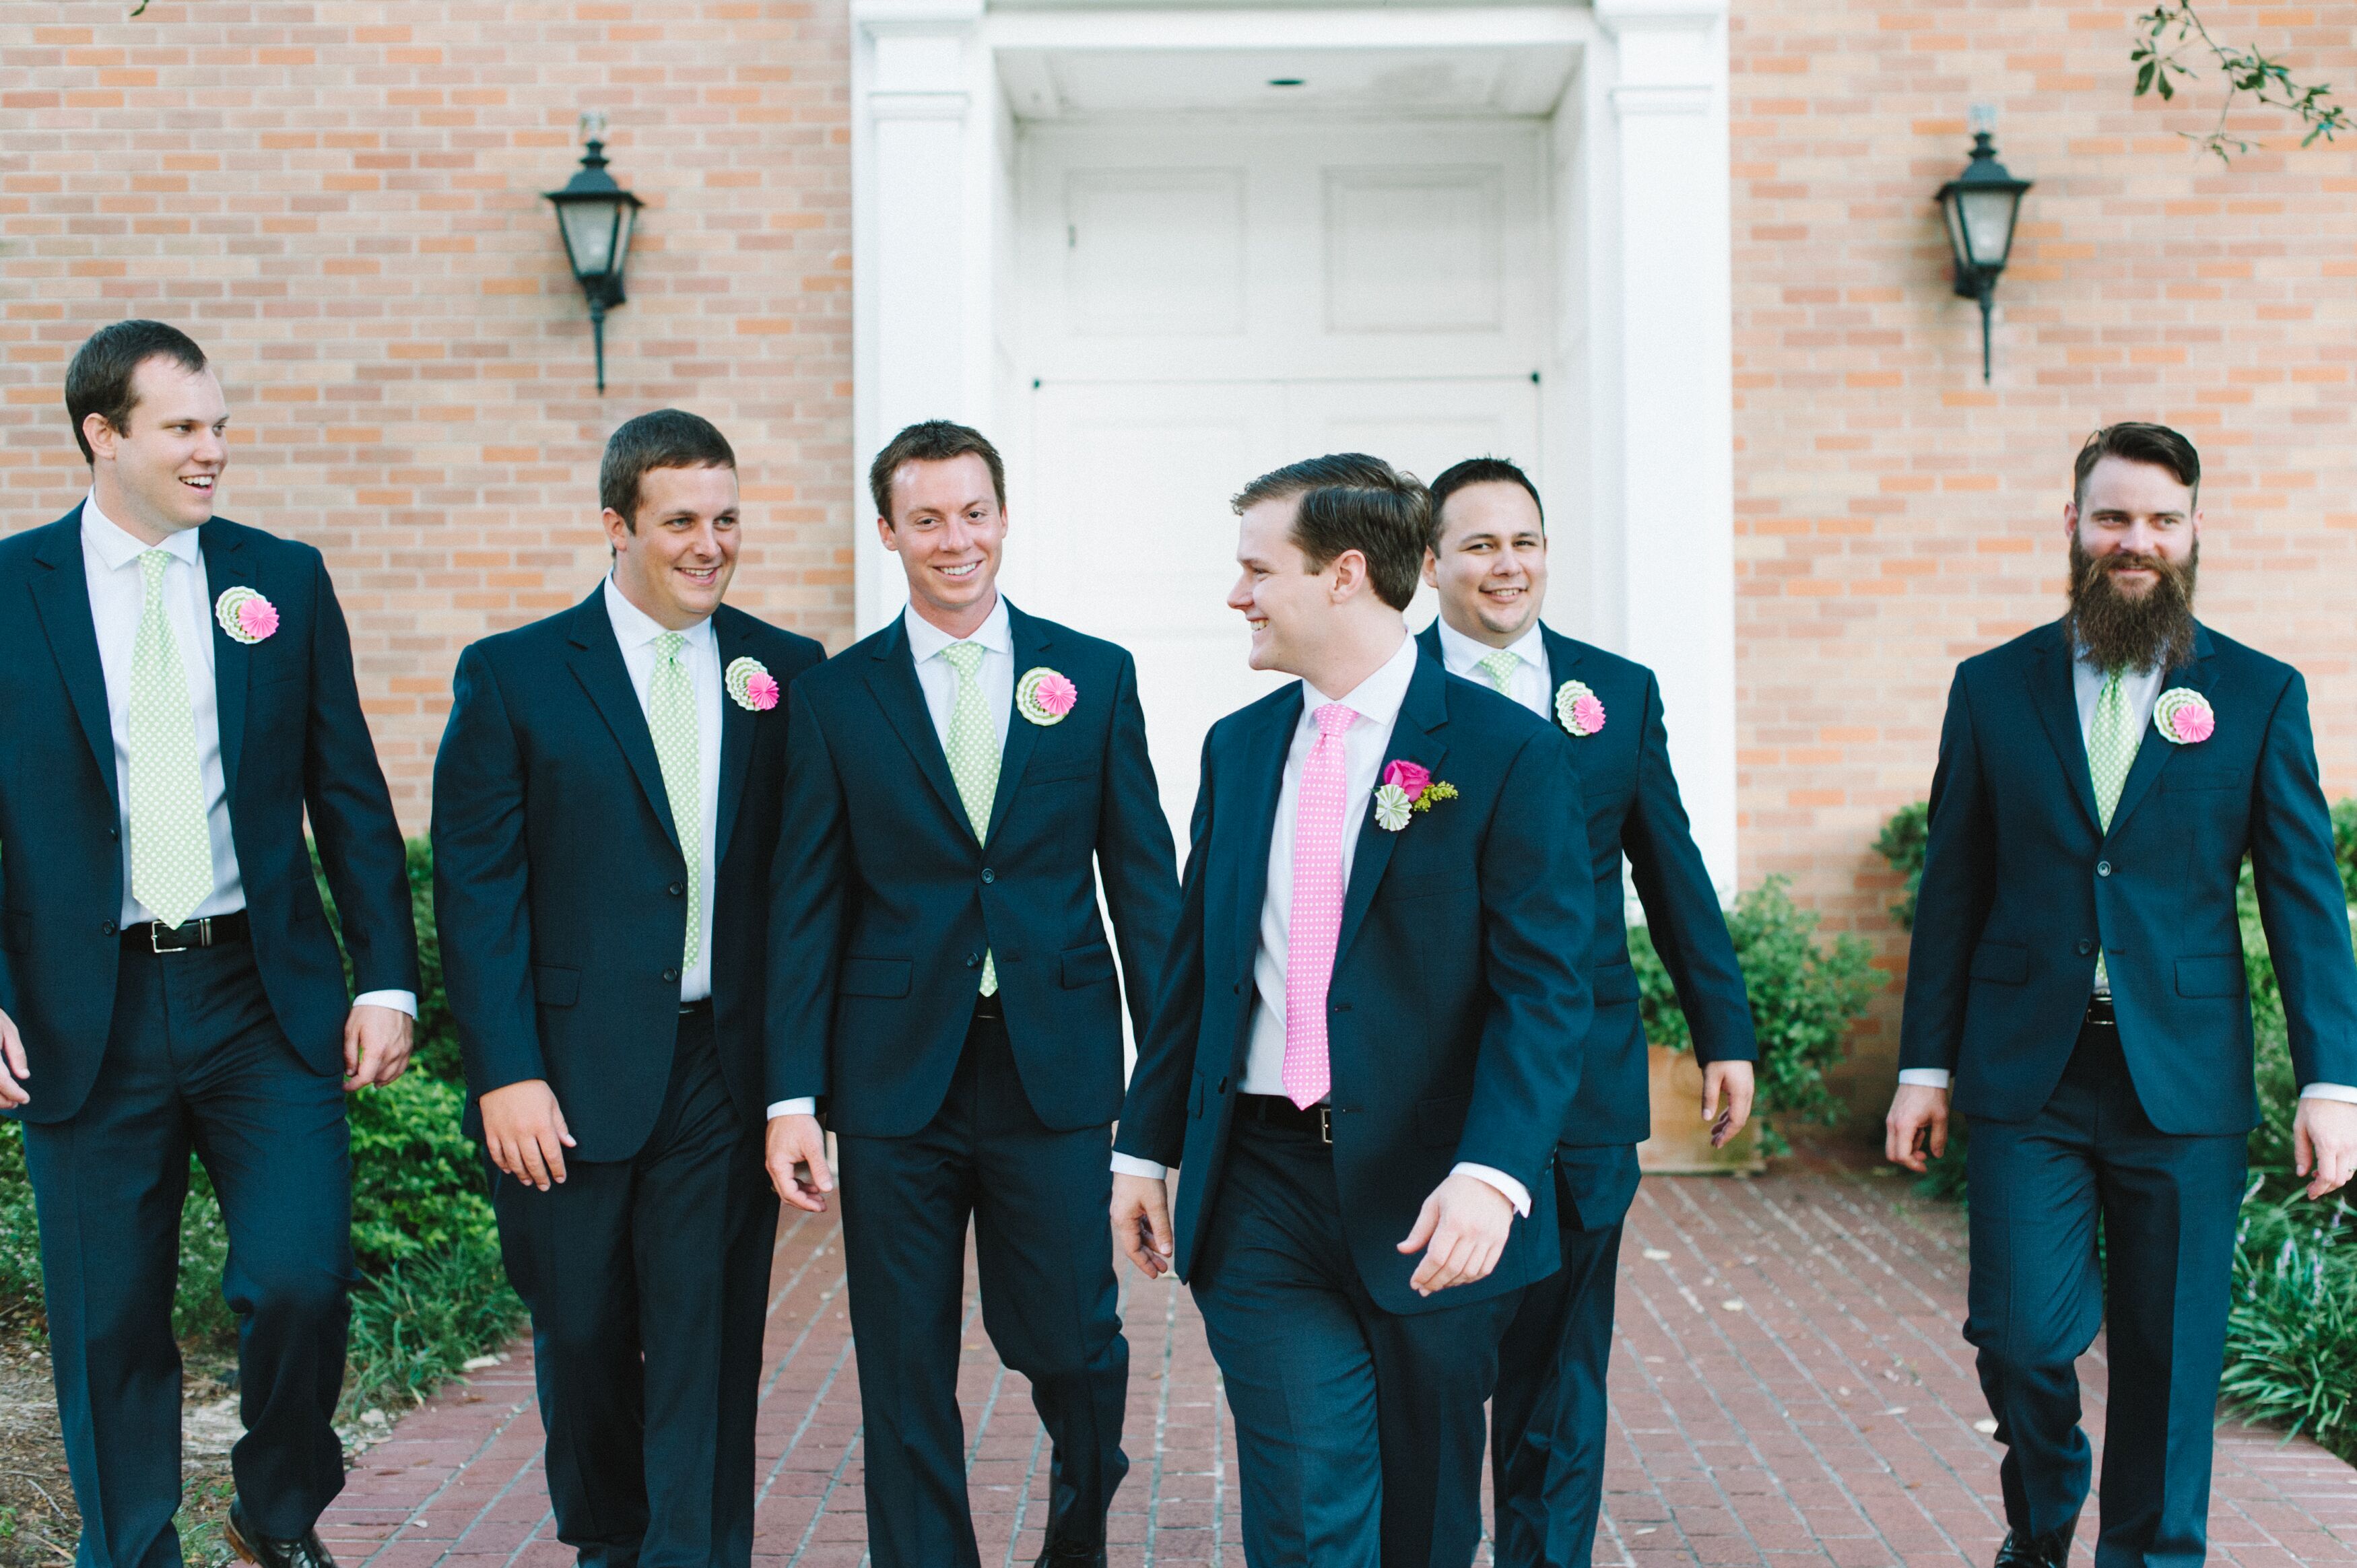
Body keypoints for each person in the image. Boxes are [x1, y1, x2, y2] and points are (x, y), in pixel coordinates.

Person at [1110, 453, 1595, 1568]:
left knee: (1427, 1523)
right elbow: (1198, 969)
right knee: (1306, 1509)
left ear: (1344, 574)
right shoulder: (1238, 749)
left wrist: (1494, 1170)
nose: (1237, 595)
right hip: (1263, 1188)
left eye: (1256, 569)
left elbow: (1546, 987)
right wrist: (1142, 1149)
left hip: (1435, 1204)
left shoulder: (1504, 749)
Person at [1886, 422, 2357, 1568]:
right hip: (2025, 1074)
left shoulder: (2256, 693)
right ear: (2072, 526)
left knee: (2169, 1355)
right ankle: (2043, 1515)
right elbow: (1952, 889)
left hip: (2182, 1080)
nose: (2134, 540)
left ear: (2194, 533)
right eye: (2113, 517)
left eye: (2160, 519)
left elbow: (2304, 900)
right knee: (2018, 1337)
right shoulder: (1993, 688)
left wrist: (2331, 1078)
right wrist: (1923, 1067)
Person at [0, 320, 420, 1568]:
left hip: (258, 992)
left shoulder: (278, 579)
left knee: (298, 1277)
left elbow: (348, 791)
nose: (213, 452)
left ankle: (274, 1509)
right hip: (90, 1006)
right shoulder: (10, 595)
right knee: (108, 1315)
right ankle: (133, 1548)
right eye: (183, 428)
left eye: (220, 426)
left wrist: (387, 975)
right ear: (103, 435)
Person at [762, 420, 1179, 1568]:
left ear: (1005, 515)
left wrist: (1169, 1087)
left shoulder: (1091, 675)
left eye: (975, 512)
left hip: (1053, 1063)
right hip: (893, 1074)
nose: (958, 540)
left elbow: (1145, 889)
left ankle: (1080, 1525)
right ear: (890, 531)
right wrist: (790, 1094)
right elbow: (805, 904)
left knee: (1073, 1340)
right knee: (902, 1358)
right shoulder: (837, 697)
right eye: (930, 518)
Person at [431, 410, 822, 1568]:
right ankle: (612, 1543)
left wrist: (794, 1086)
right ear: (617, 525)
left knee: (706, 1345)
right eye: (682, 521)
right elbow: (478, 892)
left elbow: (803, 896)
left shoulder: (784, 672)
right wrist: (505, 1069)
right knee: (584, 1334)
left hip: (721, 1064)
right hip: (564, 1075)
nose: (712, 544)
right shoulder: (512, 676)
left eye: (728, 518)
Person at [1416, 456, 1758, 1568]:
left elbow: (1672, 871)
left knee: (1562, 1368)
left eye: (1524, 540)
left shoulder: (1618, 692)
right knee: (1440, 1362)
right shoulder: (1391, 692)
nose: (1506, 565)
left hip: (1588, 1085)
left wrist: (1725, 1032)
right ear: (1430, 564)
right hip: (1437, 1090)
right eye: (1478, 543)